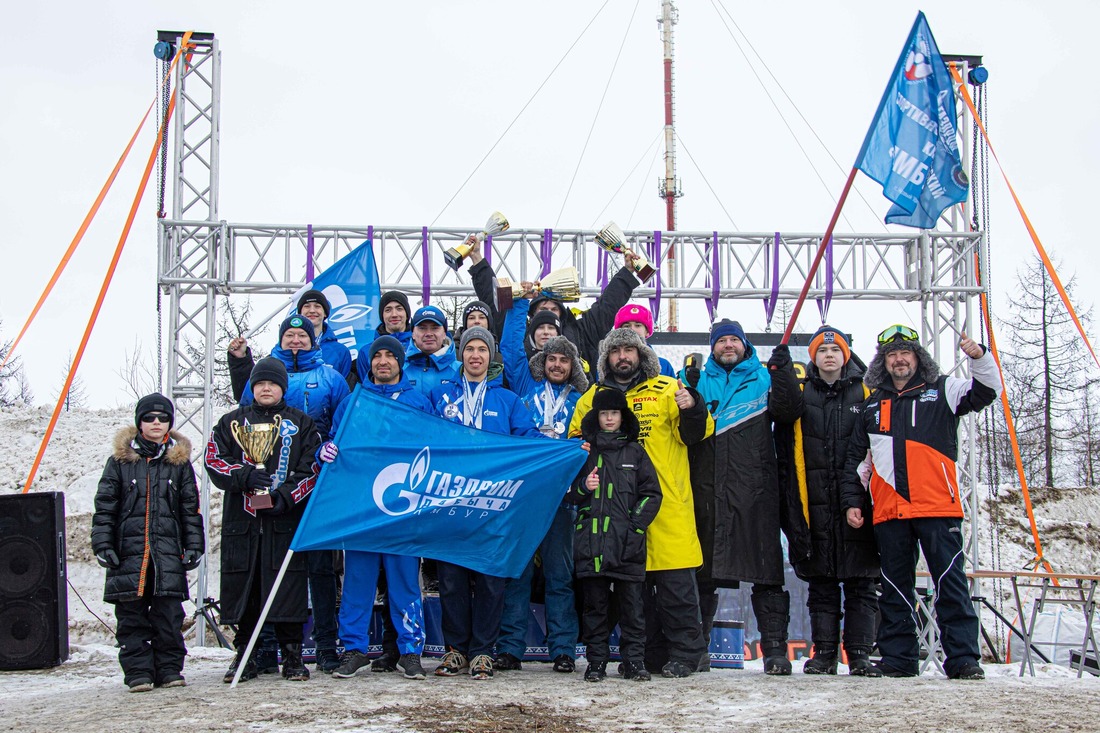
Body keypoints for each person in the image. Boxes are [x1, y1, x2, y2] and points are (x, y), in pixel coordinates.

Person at [841, 325, 999, 680]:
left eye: (906, 353)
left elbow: (986, 391)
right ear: (883, 362)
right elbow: (858, 458)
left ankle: (962, 659)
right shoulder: (871, 404)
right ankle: (899, 659)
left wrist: (979, 358)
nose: (899, 359)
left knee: (950, 583)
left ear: (917, 358)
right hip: (889, 509)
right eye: (892, 354)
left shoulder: (943, 388)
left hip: (938, 506)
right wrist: (853, 501)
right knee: (895, 587)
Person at [569, 327, 714, 678]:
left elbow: (697, 433)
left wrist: (693, 407)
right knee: (635, 596)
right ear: (607, 359)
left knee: (676, 590)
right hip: (613, 514)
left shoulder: (668, 387)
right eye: (615, 351)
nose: (623, 356)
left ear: (642, 355)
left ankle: (687, 654)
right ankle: (645, 656)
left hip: (666, 508)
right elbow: (575, 442)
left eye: (629, 350)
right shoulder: (593, 396)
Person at [682, 319, 804, 676]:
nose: (728, 346)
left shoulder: (764, 377)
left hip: (755, 490)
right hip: (706, 490)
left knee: (767, 575)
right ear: (713, 348)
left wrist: (782, 374)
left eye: (734, 339)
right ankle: (696, 651)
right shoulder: (697, 379)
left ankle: (776, 652)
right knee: (701, 575)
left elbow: (788, 411)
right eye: (722, 341)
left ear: (745, 344)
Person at [238, 314, 349, 672]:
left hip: (319, 475)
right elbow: (244, 424)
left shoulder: (330, 375)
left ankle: (327, 645)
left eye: (302, 335)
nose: (296, 341)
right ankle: (268, 647)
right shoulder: (263, 375)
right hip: (270, 485)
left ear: (313, 338)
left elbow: (345, 420)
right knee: (269, 564)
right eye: (290, 335)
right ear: (281, 340)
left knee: (320, 564)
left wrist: (330, 450)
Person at [429, 326, 542, 681]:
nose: (475, 355)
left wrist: (567, 449)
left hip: (494, 505)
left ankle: (482, 652)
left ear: (491, 356)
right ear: (460, 354)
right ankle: (455, 651)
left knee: (492, 581)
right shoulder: (439, 395)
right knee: (452, 580)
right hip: (449, 503)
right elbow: (418, 435)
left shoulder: (507, 400)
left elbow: (529, 440)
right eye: (469, 349)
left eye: (482, 349)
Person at [321, 335, 433, 681]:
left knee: (405, 583)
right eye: (377, 356)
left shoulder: (418, 401)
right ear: (369, 363)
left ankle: (410, 652)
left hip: (403, 506)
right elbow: (336, 441)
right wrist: (324, 451)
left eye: (390, 356)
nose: (383, 361)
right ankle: (354, 650)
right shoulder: (354, 401)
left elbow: (436, 448)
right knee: (358, 581)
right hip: (362, 507)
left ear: (401, 362)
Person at [204, 357, 322, 683]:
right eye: (260, 383)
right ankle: (246, 654)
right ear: (252, 387)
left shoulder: (302, 424)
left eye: (272, 383)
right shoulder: (231, 423)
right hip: (243, 521)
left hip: (283, 520)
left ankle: (293, 655)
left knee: (288, 586)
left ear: (282, 388)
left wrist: (282, 496)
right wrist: (244, 476)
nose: (266, 388)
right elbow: (213, 459)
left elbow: (310, 469)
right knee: (246, 589)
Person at [776, 326, 880, 676]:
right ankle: (824, 654)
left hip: (858, 501)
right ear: (814, 358)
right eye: (822, 351)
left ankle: (861, 654)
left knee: (861, 583)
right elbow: (783, 413)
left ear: (846, 355)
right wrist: (779, 372)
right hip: (815, 501)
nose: (830, 355)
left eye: (836, 350)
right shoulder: (802, 392)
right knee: (821, 583)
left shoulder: (866, 390)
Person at [494, 305, 590, 673]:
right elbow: (511, 347)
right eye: (552, 358)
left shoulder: (582, 399)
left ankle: (563, 649)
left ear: (573, 366)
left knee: (559, 576)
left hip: (562, 499)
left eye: (565, 360)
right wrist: (520, 302)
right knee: (516, 573)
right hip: (523, 498)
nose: (557, 364)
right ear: (543, 360)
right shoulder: (523, 385)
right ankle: (510, 648)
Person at [91, 393, 204, 692]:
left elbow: (189, 509)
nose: (156, 423)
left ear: (169, 422)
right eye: (149, 417)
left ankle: (169, 669)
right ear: (139, 422)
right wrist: (103, 544)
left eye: (162, 417)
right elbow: (105, 507)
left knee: (169, 617)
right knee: (131, 617)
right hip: (129, 554)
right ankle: (138, 671)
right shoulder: (119, 462)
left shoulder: (178, 464)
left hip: (166, 554)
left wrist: (194, 544)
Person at [570, 387, 662, 682]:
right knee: (594, 608)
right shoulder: (583, 451)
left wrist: (635, 526)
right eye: (604, 413)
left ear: (623, 416)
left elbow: (652, 494)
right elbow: (567, 492)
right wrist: (584, 486)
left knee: (633, 609)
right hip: (592, 544)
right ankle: (596, 662)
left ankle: (634, 662)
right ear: (596, 417)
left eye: (614, 413)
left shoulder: (636, 452)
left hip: (628, 545)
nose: (609, 418)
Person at [464, 234, 643, 371]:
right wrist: (477, 259)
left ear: (562, 315)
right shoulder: (519, 335)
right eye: (543, 310)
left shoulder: (580, 333)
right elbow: (493, 300)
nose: (548, 316)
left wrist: (627, 272)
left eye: (553, 310)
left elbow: (607, 306)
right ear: (532, 315)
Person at [296, 289, 353, 378]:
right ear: (300, 313)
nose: (312, 310)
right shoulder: (289, 347)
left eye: (317, 306)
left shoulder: (340, 351)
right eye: (307, 306)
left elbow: (343, 388)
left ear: (325, 313)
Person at [405, 305, 460, 397]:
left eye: (435, 328)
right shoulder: (399, 370)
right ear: (413, 334)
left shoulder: (460, 371)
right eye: (422, 328)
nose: (429, 334)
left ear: (444, 333)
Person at [613, 303, 676, 377]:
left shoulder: (663, 365)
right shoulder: (610, 364)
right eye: (627, 326)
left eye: (638, 325)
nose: (632, 329)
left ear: (647, 332)